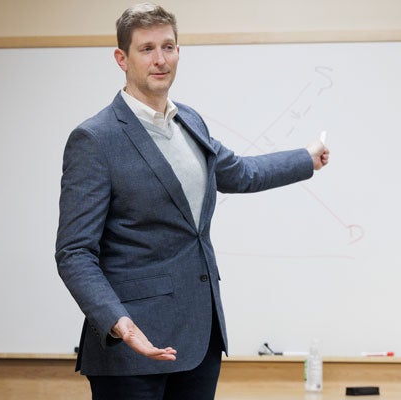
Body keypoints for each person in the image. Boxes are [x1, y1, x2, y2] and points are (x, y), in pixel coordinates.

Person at [55, 2, 328, 399]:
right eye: (146, 49)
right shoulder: (95, 139)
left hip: (199, 340)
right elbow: (74, 252)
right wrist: (118, 322)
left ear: (179, 52)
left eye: (168, 46)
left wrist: (305, 158)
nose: (160, 59)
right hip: (132, 348)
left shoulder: (190, 122)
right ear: (122, 58)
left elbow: (240, 174)